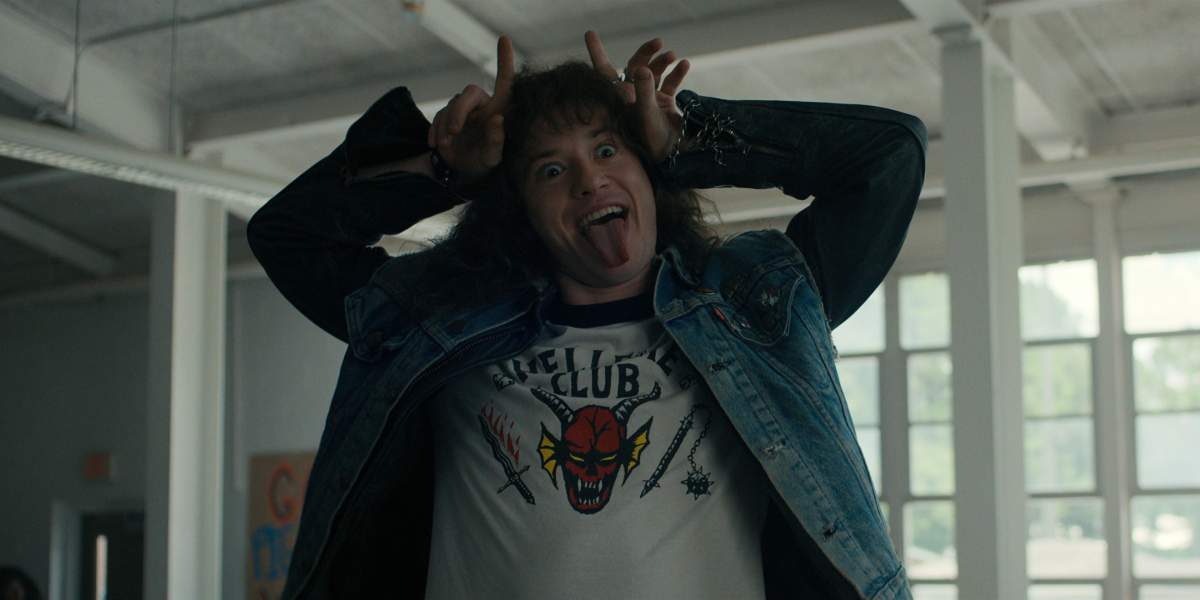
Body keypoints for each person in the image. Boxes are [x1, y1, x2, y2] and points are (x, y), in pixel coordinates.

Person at [249, 31, 925, 600]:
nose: (588, 180)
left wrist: (686, 140)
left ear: (649, 174)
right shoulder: (435, 321)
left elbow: (889, 159)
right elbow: (290, 238)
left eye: (607, 150)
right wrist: (441, 168)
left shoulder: (753, 303)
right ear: (520, 213)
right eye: (550, 171)